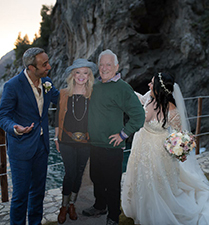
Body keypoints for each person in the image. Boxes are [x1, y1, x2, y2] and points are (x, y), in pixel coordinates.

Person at [121, 72, 209, 225]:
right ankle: (139, 206)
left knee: (154, 180)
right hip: (141, 143)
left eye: (152, 83)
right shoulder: (150, 96)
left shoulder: (172, 110)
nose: (149, 84)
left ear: (158, 88)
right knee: (140, 176)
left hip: (157, 149)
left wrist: (182, 147)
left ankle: (155, 210)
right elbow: (142, 99)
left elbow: (182, 132)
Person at [82, 49, 145, 225]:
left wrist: (123, 134)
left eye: (108, 64)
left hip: (112, 147)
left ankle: (113, 216)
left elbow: (139, 115)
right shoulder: (95, 86)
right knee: (96, 178)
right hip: (94, 144)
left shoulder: (123, 88)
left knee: (112, 183)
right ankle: (100, 205)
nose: (104, 68)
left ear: (116, 66)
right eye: (101, 64)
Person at [0, 47, 59, 225]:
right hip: (21, 147)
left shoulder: (46, 81)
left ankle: (35, 223)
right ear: (31, 68)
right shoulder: (12, 86)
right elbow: (3, 116)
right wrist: (15, 127)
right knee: (20, 195)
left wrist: (82, 88)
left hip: (42, 145)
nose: (49, 66)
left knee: (38, 192)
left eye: (48, 61)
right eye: (44, 64)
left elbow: (59, 97)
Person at [54, 59, 97, 224]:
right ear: (73, 75)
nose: (81, 76)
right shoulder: (64, 93)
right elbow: (57, 117)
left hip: (86, 140)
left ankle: (72, 203)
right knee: (70, 173)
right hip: (66, 140)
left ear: (89, 76)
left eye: (85, 73)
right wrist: (56, 137)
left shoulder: (93, 93)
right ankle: (63, 206)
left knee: (78, 173)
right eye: (78, 72)